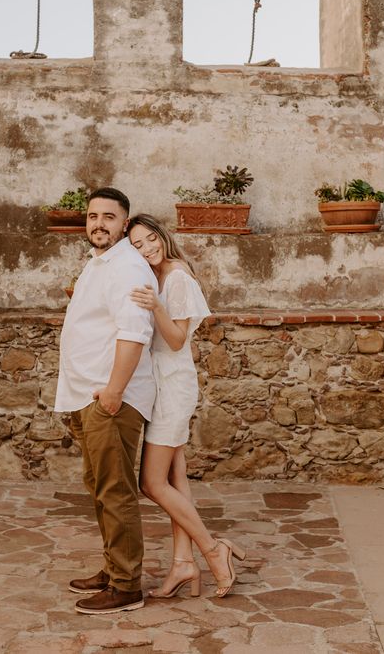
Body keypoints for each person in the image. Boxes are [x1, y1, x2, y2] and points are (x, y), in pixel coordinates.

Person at [128, 213, 246, 599]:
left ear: (162, 235)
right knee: (175, 481)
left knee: (151, 482)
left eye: (150, 239)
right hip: (158, 385)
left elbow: (177, 340)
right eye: (137, 245)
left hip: (173, 386)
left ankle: (214, 550)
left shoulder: (176, 276)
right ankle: (182, 563)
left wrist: (155, 306)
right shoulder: (155, 276)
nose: (147, 248)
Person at [54, 187, 157, 615]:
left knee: (115, 492)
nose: (98, 223)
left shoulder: (128, 268)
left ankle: (126, 586)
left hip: (110, 399)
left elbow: (135, 333)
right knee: (99, 488)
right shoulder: (101, 263)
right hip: (87, 395)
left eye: (108, 217)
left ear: (125, 223)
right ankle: (113, 567)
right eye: (92, 216)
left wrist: (113, 393)